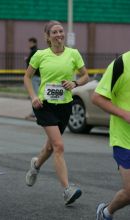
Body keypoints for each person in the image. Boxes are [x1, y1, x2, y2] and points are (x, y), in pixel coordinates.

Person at [24, 20, 89, 205]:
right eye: (55, 32)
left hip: (65, 106)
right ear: (48, 36)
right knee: (59, 146)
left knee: (51, 147)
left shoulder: (73, 54)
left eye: (61, 31)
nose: (59, 34)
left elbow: (85, 75)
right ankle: (67, 190)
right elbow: (27, 77)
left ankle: (35, 166)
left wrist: (75, 83)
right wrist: (33, 96)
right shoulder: (40, 55)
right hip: (45, 105)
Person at [92, 51, 130, 219]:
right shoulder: (121, 64)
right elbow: (97, 97)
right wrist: (125, 114)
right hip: (124, 138)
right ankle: (106, 211)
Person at [25, 37, 41, 120]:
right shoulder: (37, 51)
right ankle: (35, 113)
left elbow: (32, 63)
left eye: (30, 43)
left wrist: (27, 60)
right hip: (38, 76)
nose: (29, 45)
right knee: (37, 94)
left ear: (33, 43)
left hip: (34, 76)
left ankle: (34, 113)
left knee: (34, 95)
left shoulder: (34, 52)